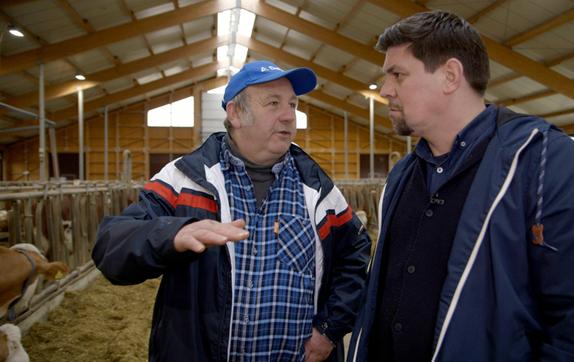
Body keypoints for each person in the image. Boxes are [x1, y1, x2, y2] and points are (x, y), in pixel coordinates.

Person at [348, 10, 574, 362]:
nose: (385, 89)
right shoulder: (403, 173)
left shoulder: (542, 161)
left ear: (450, 76)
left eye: (398, 75)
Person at [92, 60, 371, 362]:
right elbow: (111, 246)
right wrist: (171, 235)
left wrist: (330, 329)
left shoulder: (317, 188)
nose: (289, 116)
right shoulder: (185, 179)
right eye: (273, 103)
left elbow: (354, 255)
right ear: (235, 113)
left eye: (293, 104)